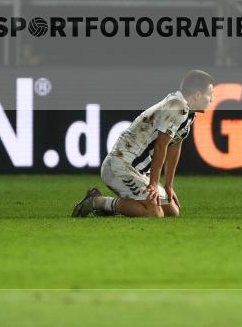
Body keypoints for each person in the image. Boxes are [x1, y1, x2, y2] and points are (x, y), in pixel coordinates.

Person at [71, 70, 214, 218]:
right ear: (197, 95)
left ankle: (114, 207)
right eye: (210, 94)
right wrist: (153, 184)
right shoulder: (176, 106)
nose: (212, 99)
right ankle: (98, 202)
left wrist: (168, 185)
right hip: (120, 166)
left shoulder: (189, 113)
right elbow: (160, 146)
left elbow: (175, 145)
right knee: (154, 213)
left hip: (137, 171)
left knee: (172, 211)